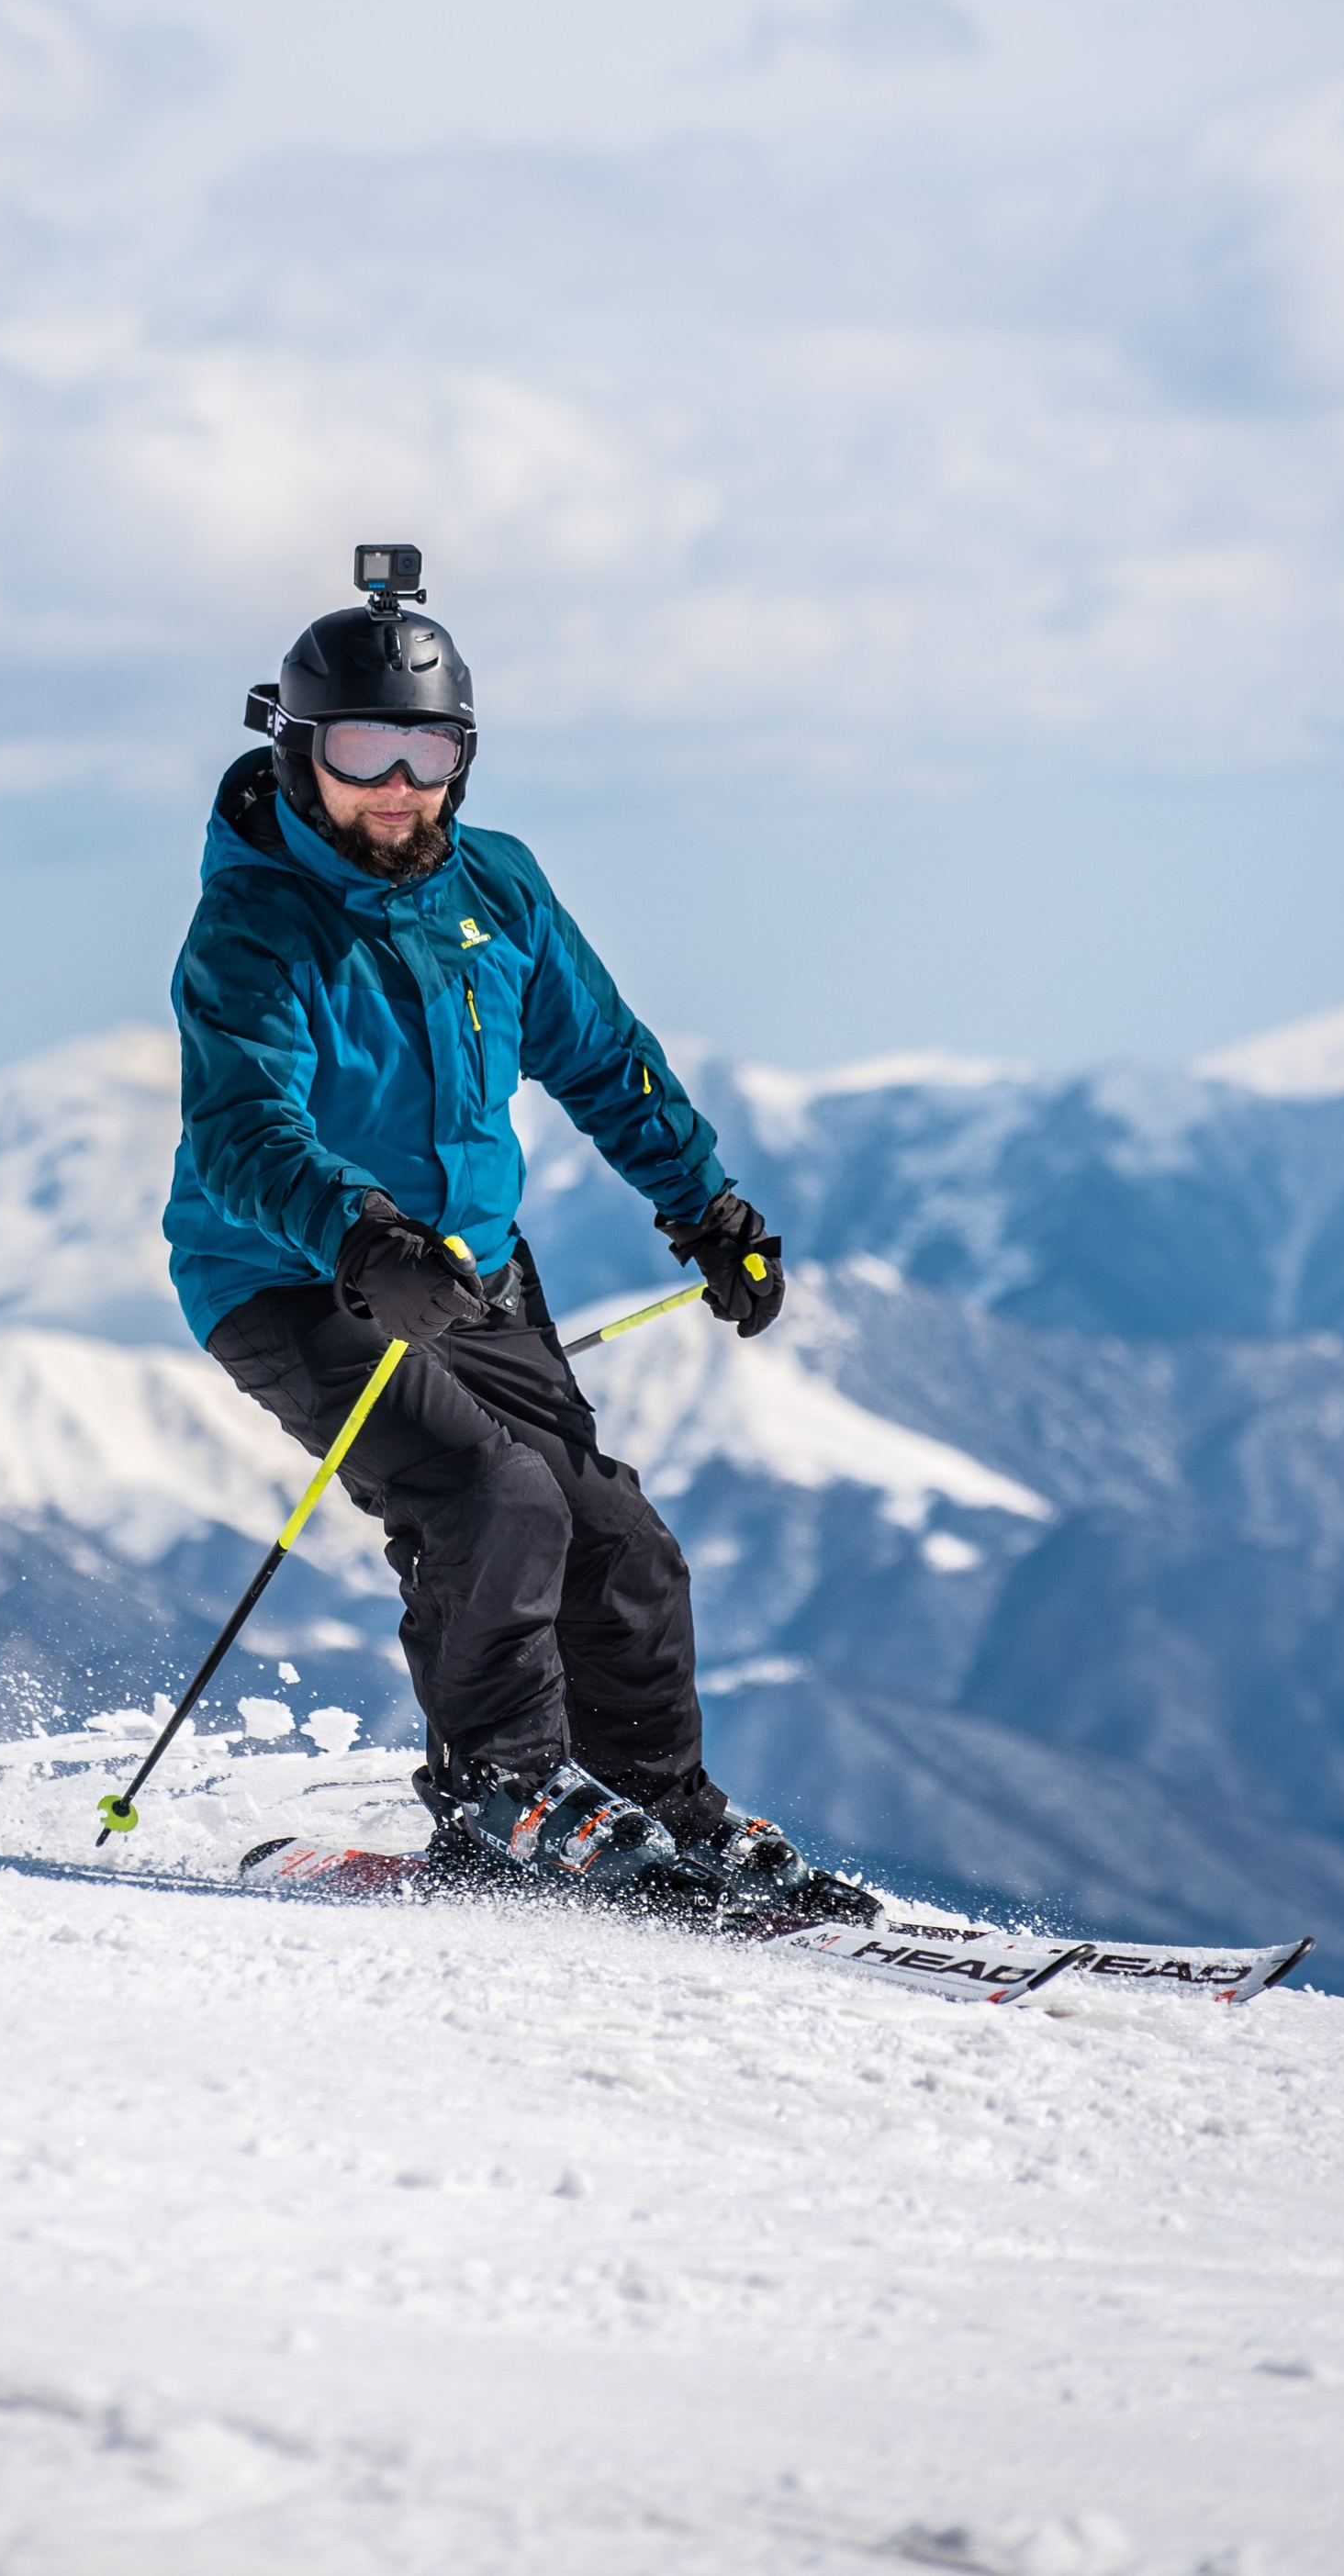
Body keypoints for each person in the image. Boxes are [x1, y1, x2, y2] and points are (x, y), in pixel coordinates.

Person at [163, 545, 869, 1918]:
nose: (396, 789)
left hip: (465, 1271)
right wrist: (360, 1237)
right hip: (294, 1274)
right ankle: (505, 1792)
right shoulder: (253, 925)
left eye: (427, 754)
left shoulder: (498, 889)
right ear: (300, 747)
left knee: (619, 1537)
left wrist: (705, 1206)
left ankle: (662, 1812)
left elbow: (604, 1055)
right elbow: (242, 1128)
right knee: (490, 1495)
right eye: (364, 750)